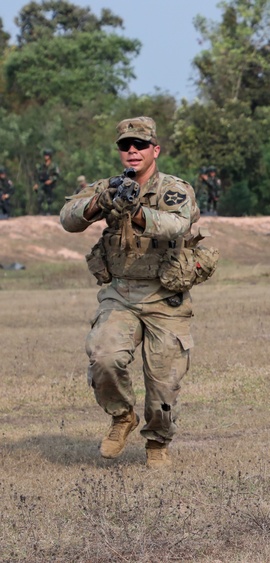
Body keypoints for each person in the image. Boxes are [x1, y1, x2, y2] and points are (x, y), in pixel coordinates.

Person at [59, 116, 201, 469]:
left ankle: (156, 443)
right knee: (103, 356)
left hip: (164, 295)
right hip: (121, 293)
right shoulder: (108, 186)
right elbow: (68, 218)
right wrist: (99, 204)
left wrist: (137, 213)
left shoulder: (173, 189)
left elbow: (177, 224)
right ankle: (122, 416)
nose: (132, 151)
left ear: (156, 150)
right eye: (125, 146)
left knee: (163, 382)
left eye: (139, 145)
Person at [33, 148, 61, 215]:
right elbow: (38, 175)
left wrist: (51, 180)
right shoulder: (41, 166)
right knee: (40, 196)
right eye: (45, 155)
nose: (46, 157)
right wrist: (36, 184)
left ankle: (49, 211)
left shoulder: (54, 166)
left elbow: (57, 175)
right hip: (42, 183)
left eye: (47, 155)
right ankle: (41, 212)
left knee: (49, 199)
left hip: (51, 185)